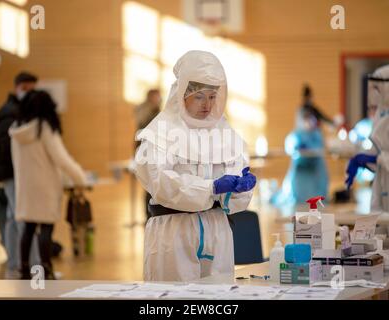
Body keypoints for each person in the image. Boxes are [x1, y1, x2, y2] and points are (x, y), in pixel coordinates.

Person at [133, 50, 256, 282]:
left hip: (218, 230)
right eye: (200, 96)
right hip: (174, 232)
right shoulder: (161, 132)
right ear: (182, 94)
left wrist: (242, 188)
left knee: (220, 299)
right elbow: (160, 182)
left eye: (212, 96)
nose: (207, 105)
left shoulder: (225, 132)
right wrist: (210, 188)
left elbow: (235, 184)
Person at [9, 90, 87, 279]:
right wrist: (80, 179)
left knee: (28, 228)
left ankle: (24, 269)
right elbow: (61, 158)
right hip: (45, 186)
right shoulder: (43, 128)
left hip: (25, 186)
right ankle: (46, 269)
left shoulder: (16, 129)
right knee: (46, 228)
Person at [346, 63, 389, 242]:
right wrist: (360, 160)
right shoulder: (382, 115)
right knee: (384, 234)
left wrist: (376, 158)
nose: (375, 93)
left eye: (378, 87)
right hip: (385, 185)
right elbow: (381, 152)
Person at [0, 71, 40, 279]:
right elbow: (6, 145)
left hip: (17, 172)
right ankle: (34, 265)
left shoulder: (19, 110)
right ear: (18, 87)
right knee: (22, 217)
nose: (30, 94)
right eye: (27, 89)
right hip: (13, 173)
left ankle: (16, 262)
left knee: (15, 216)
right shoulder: (9, 111)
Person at [271, 109, 329, 207]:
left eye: (310, 119)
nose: (309, 123)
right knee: (299, 203)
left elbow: (320, 148)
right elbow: (290, 146)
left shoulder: (317, 134)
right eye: (306, 119)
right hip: (300, 174)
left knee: (316, 203)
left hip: (316, 173)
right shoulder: (295, 135)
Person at [133, 89, 162, 221]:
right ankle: (148, 214)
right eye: (157, 96)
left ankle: (152, 213)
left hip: (156, 152)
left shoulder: (158, 111)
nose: (159, 99)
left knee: (153, 186)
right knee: (148, 186)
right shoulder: (144, 111)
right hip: (146, 153)